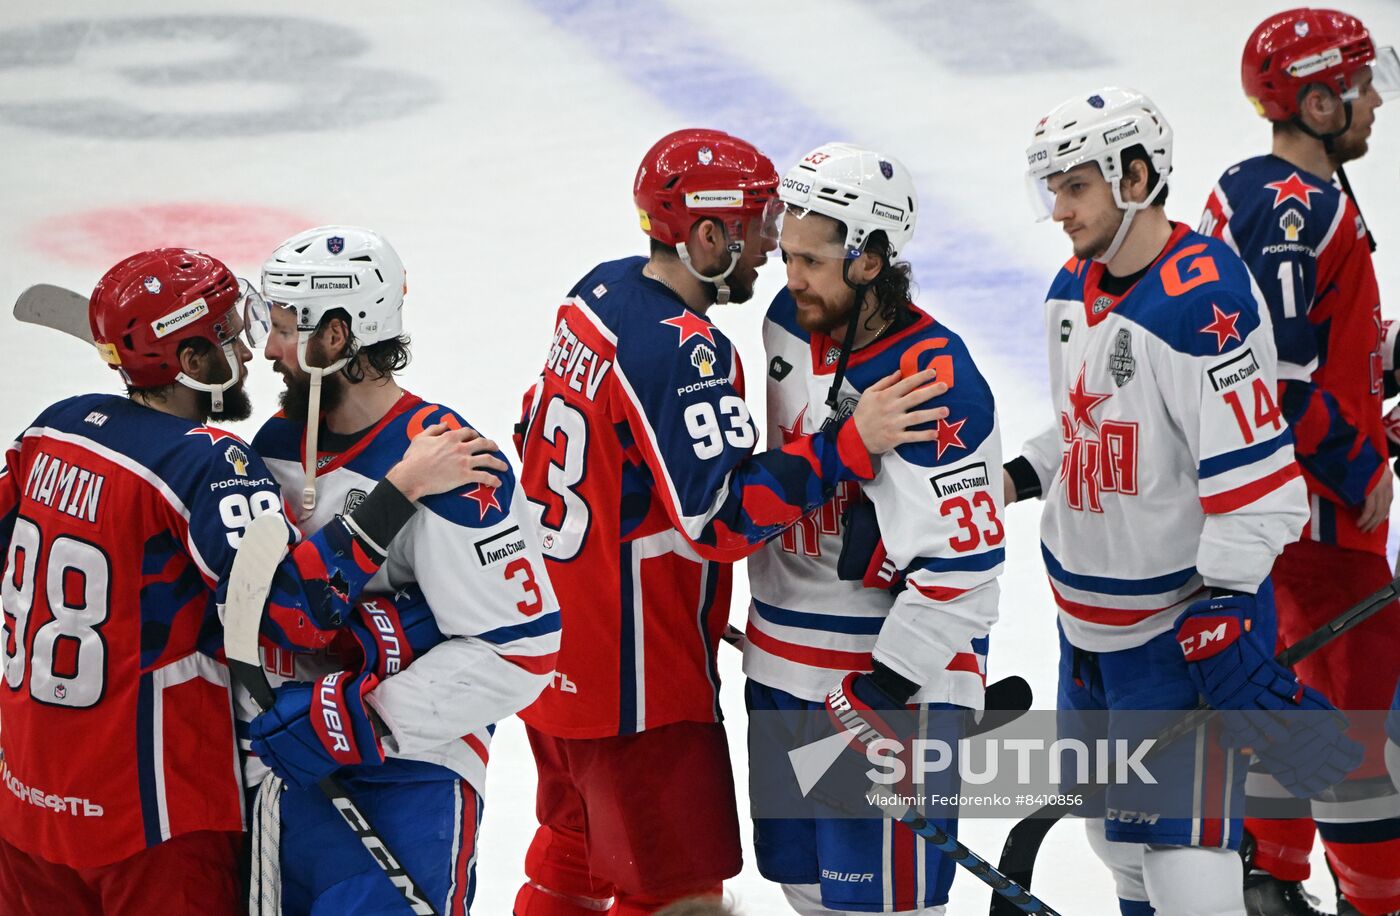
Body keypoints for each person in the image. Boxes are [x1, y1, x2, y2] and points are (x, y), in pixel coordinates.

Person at [512, 128, 950, 916]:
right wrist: (849, 443)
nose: (774, 246)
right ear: (708, 234)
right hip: (638, 683)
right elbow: (723, 519)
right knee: (677, 895)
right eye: (758, 226)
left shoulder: (593, 295)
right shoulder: (686, 349)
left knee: (568, 866)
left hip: (552, 648)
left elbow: (538, 439)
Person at [0, 248, 489, 914]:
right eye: (228, 333)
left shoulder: (50, 429)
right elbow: (294, 612)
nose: (252, 350)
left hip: (25, 805)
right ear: (192, 361)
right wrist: (400, 487)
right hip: (151, 817)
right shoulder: (208, 463)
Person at [1004, 87, 1360, 916]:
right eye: (1051, 188)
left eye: (1076, 186)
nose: (1058, 210)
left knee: (1184, 852)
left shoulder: (1202, 305)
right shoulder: (1072, 286)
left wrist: (1229, 608)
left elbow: (1265, 486)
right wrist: (1008, 479)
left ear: (1137, 176)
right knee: (1115, 839)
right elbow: (1084, 430)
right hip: (1088, 630)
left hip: (1177, 632)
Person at [243, 225, 559, 915]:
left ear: (336, 336)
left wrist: (366, 719)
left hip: (412, 773)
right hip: (280, 766)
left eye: (285, 327)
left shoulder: (457, 464)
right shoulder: (272, 445)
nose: (268, 348)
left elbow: (521, 652)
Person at [741, 142, 1002, 915]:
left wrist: (885, 689)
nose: (792, 277)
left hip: (884, 692)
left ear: (871, 258)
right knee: (802, 886)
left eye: (813, 261)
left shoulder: (933, 379)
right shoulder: (788, 320)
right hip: (781, 670)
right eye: (787, 254)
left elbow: (968, 567)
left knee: (881, 907)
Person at [1199, 10, 1400, 913]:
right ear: (1318, 101)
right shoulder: (1293, 209)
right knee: (1361, 735)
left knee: (1298, 709)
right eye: (1359, 90)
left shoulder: (1266, 190)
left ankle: (1268, 878)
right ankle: (1375, 900)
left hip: (1287, 516)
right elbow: (1275, 384)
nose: (1374, 105)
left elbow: (1319, 347)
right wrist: (1367, 468)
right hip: (1314, 523)